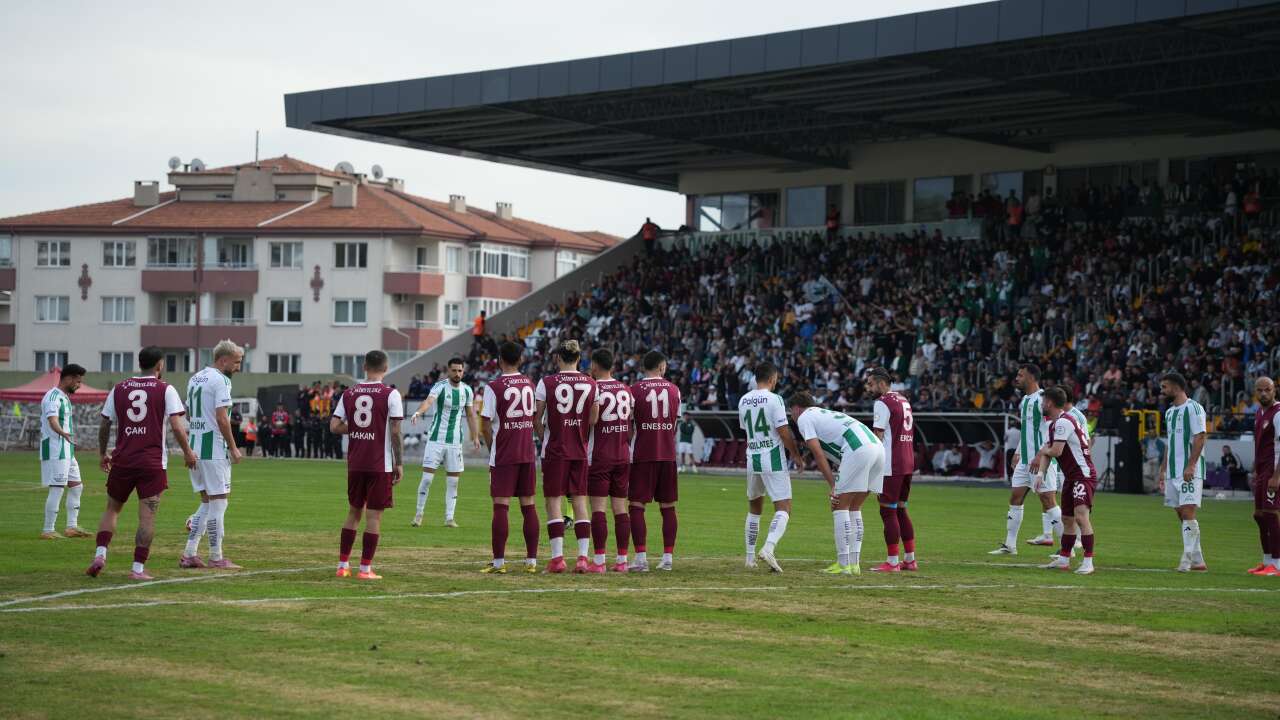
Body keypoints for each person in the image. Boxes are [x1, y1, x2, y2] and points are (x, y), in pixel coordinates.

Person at [86, 347, 197, 580]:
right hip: (152, 463)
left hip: (123, 460)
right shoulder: (165, 389)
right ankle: (137, 569)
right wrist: (187, 452)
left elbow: (105, 423)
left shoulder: (119, 388)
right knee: (147, 518)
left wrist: (103, 453)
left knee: (112, 509)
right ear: (159, 365)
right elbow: (177, 426)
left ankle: (100, 554)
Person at [789, 391, 883, 576]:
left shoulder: (804, 418)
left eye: (790, 411)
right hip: (877, 448)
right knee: (855, 508)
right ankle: (854, 564)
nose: (791, 415)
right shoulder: (823, 413)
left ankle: (843, 564)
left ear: (797, 409)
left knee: (839, 506)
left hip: (858, 449)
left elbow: (818, 453)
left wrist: (832, 484)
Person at [330, 350, 403, 580]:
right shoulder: (391, 394)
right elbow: (395, 431)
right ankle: (365, 569)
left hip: (355, 463)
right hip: (379, 464)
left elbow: (334, 426)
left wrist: (359, 429)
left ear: (364, 367)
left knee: (353, 512)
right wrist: (399, 463)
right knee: (374, 516)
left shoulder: (349, 393)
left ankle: (343, 565)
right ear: (386, 367)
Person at [533, 339, 598, 573]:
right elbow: (593, 419)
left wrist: (545, 436)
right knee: (580, 501)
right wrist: (578, 431)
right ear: (579, 359)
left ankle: (557, 559)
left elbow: (536, 417)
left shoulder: (546, 382)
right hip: (579, 450)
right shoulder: (591, 383)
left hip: (555, 449)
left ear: (558, 358)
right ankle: (582, 558)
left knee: (553, 501)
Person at [180, 340, 244, 570]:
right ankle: (216, 556)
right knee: (220, 503)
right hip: (214, 450)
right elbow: (222, 418)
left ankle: (189, 554)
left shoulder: (195, 378)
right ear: (223, 360)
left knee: (207, 503)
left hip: (195, 448)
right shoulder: (221, 380)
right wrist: (234, 447)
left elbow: (188, 414)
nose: (238, 367)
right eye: (236, 363)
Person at [480, 341, 541, 574]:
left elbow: (485, 424)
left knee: (501, 506)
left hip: (504, 452)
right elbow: (535, 419)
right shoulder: (529, 383)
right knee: (529, 505)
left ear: (499, 360)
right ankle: (531, 562)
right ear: (521, 360)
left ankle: (499, 563)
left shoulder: (493, 386)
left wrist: (491, 448)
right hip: (527, 451)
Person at [737, 362, 802, 572]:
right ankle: (768, 547)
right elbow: (783, 431)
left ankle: (749, 558)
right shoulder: (775, 399)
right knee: (784, 507)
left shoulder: (743, 400)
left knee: (755, 508)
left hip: (752, 456)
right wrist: (796, 455)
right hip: (772, 456)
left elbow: (745, 430)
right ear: (773, 379)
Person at [989, 364, 1060, 555]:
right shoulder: (1025, 400)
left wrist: (1040, 455)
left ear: (1031, 377)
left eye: (1021, 375)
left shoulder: (1043, 400)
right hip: (1025, 460)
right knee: (1015, 497)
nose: (1017, 378)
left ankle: (1067, 548)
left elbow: (1051, 430)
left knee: (1048, 500)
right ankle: (1010, 545)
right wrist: (1019, 451)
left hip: (1042, 460)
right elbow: (1027, 430)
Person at [1033, 387, 1097, 575]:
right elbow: (1047, 450)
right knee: (1067, 519)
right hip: (1071, 477)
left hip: (1082, 475)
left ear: (1050, 403)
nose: (1042, 405)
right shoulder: (1054, 424)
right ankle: (1063, 559)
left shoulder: (1063, 422)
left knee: (1080, 517)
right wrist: (1040, 475)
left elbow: (1055, 451)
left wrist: (1044, 451)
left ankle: (1088, 561)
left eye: (1043, 402)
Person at [628, 350, 682, 572]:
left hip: (643, 454)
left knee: (636, 506)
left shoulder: (634, 390)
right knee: (668, 507)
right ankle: (667, 558)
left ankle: (641, 558)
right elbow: (674, 426)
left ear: (644, 368)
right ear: (661, 367)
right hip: (667, 454)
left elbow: (630, 427)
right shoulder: (674, 390)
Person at [410, 357, 479, 529]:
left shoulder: (467, 391)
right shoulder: (440, 386)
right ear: (448, 371)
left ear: (463, 371)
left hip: (455, 442)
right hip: (436, 439)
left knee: (453, 482)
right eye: (454, 370)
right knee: (427, 479)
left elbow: (471, 415)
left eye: (460, 370)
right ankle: (418, 514)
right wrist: (418, 412)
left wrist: (476, 436)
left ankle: (449, 518)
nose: (457, 373)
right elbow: (429, 401)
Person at [865, 367, 918, 573]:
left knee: (887, 511)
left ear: (881, 383)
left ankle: (893, 561)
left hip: (891, 464)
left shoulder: (882, 403)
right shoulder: (903, 399)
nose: (868, 388)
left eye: (870, 384)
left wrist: (869, 464)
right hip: (907, 462)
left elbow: (877, 436)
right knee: (902, 509)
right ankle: (910, 559)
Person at [586, 348, 634, 573]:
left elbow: (589, 422)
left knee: (598, 509)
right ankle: (623, 560)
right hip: (623, 455)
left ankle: (599, 560)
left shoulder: (593, 388)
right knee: (620, 508)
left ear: (595, 366)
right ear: (612, 366)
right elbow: (631, 425)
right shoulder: (626, 390)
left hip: (600, 456)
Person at [1159, 372, 1208, 572]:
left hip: (1190, 471)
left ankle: (1186, 559)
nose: (1162, 391)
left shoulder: (1194, 408)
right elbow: (1170, 443)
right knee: (1181, 514)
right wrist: (1163, 469)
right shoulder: (1170, 412)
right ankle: (1198, 560)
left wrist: (1191, 465)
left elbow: (1200, 437)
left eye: (1164, 387)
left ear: (1176, 387)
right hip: (1172, 471)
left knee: (1188, 512)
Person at [38, 363, 89, 539]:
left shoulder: (64, 397)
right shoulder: (52, 397)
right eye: (78, 381)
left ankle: (71, 527)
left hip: (67, 450)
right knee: (57, 488)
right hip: (55, 449)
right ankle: (48, 529)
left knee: (76, 486)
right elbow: (52, 419)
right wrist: (63, 433)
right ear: (68, 378)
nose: (79, 385)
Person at [1248, 377, 1280, 576]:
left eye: (1267, 390)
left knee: (1271, 514)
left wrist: (1276, 476)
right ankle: (1266, 560)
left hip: (1273, 470)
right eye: (1259, 390)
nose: (1263, 394)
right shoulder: (1259, 412)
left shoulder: (1278, 414)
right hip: (1262, 471)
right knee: (1259, 515)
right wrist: (1256, 469)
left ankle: (1277, 564)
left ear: (1274, 390)